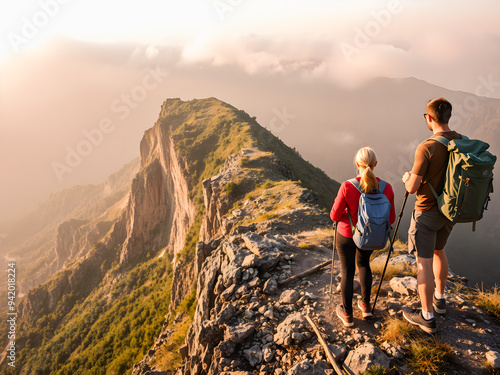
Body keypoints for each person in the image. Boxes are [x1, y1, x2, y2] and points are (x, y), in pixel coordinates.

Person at [402, 97, 460, 334]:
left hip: (426, 212)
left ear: (429, 118)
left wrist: (407, 179)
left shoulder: (426, 147)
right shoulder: (462, 141)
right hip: (450, 211)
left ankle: (426, 316)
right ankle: (440, 299)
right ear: (449, 116)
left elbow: (412, 188)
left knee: (423, 261)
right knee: (440, 251)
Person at [330, 147, 396, 327]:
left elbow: (334, 216)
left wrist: (348, 213)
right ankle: (366, 306)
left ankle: (348, 314)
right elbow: (390, 219)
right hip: (372, 237)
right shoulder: (386, 188)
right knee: (364, 265)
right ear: (376, 165)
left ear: (357, 164)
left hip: (347, 234)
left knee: (347, 271)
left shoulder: (347, 186)